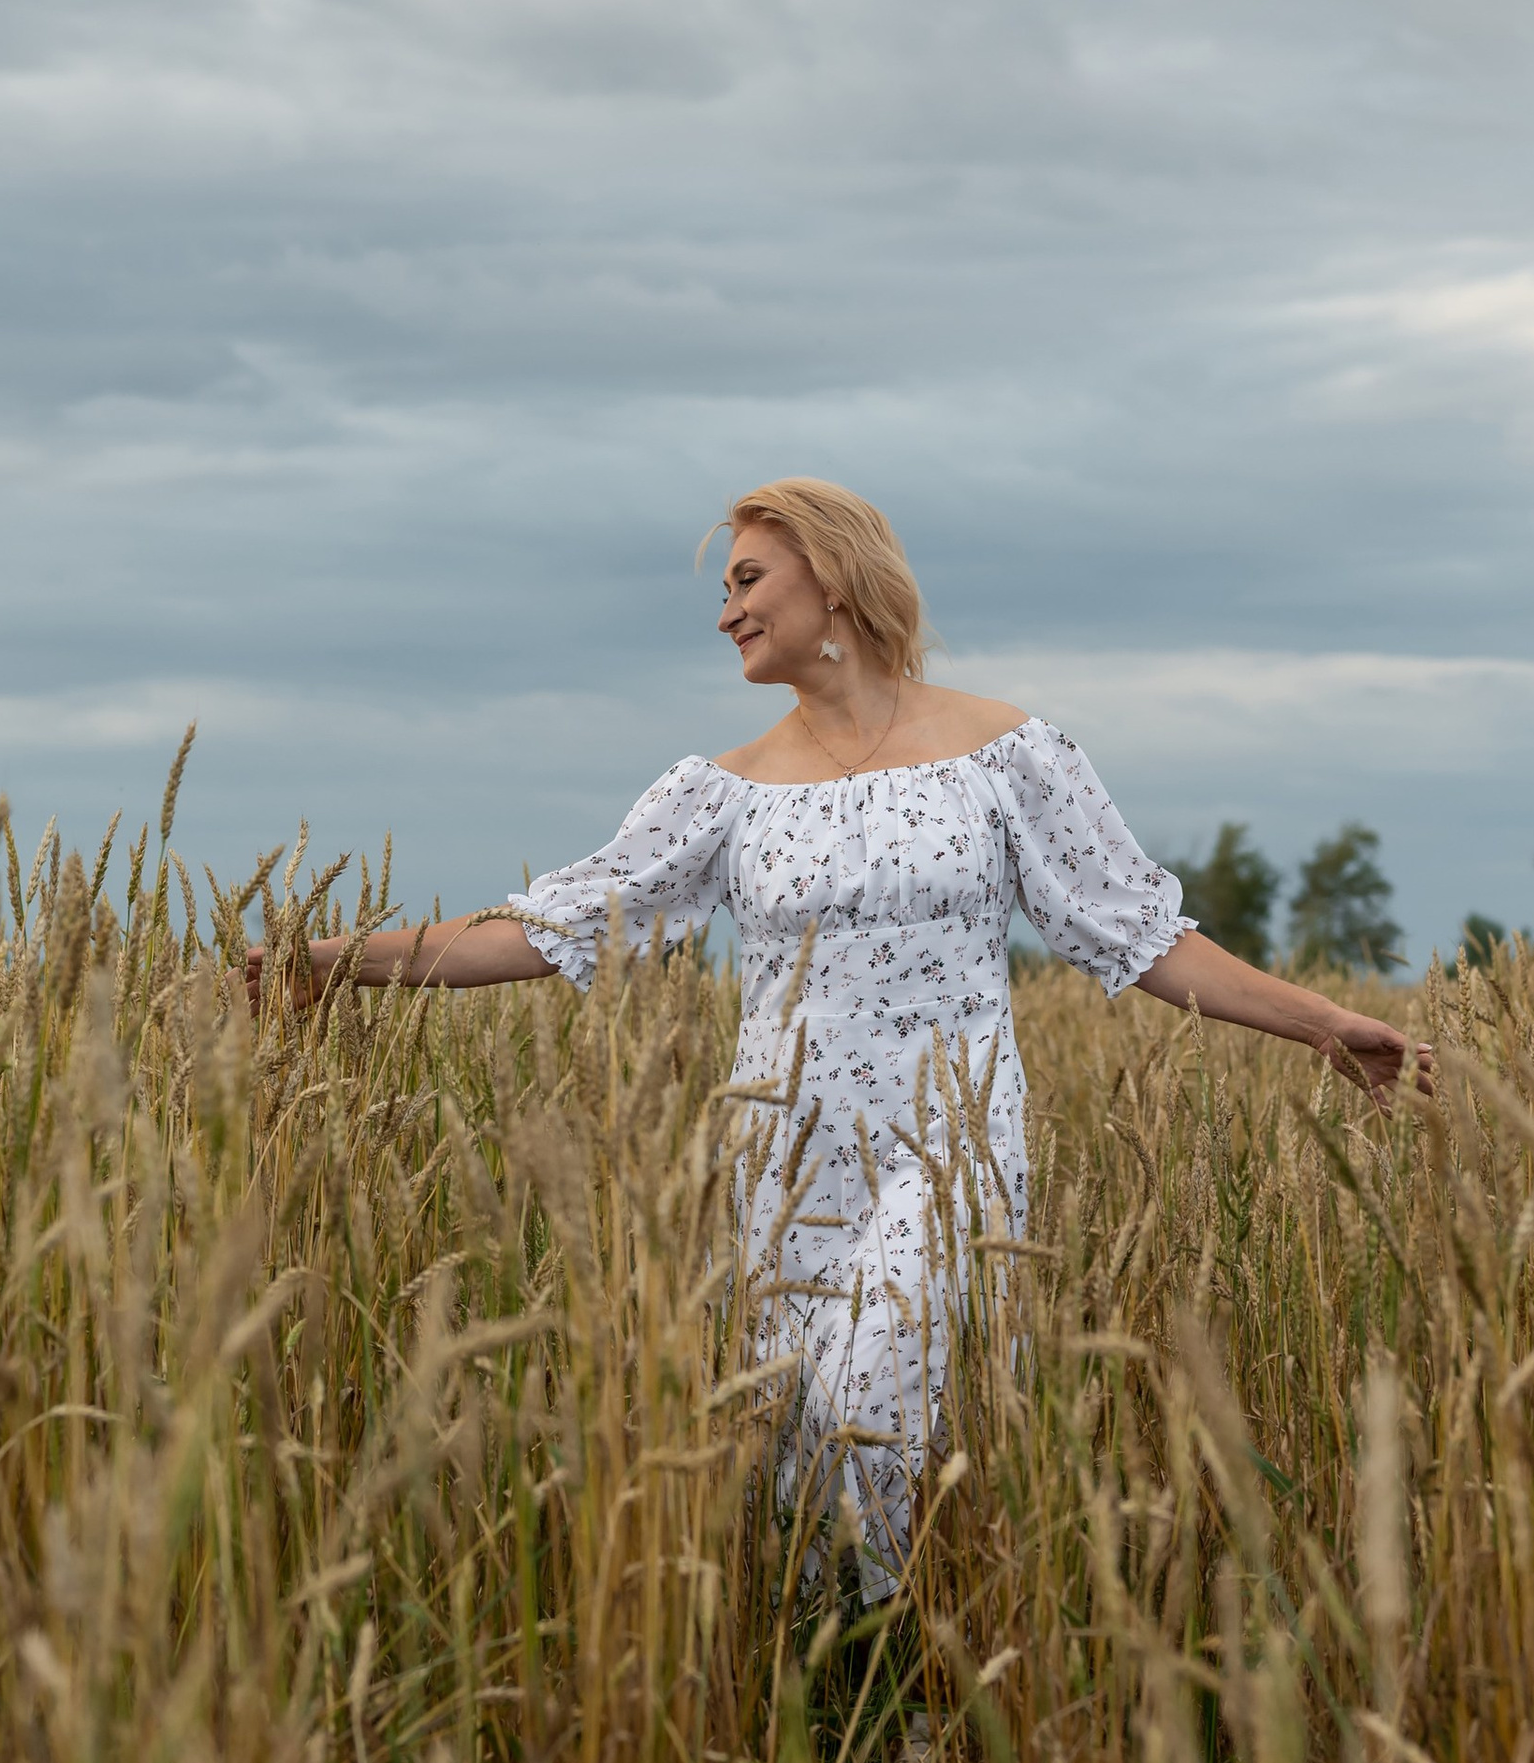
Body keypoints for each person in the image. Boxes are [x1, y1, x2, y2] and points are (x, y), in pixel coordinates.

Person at [252, 479, 1416, 1591]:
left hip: (948, 1144)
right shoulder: (725, 791)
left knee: (878, 1383)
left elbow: (1139, 935)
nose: (726, 613)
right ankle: (871, 1715)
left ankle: (906, 1686)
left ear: (837, 579)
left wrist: (1321, 1025)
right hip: (788, 1158)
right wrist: (333, 960)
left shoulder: (1005, 756)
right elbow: (547, 928)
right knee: (804, 1439)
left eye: (749, 578)